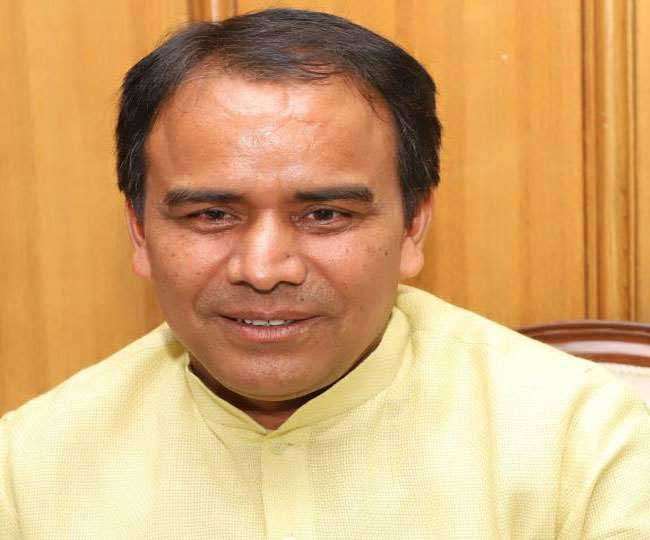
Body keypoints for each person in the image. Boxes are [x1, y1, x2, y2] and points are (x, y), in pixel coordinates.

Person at [1, 8, 649, 539]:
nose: (264, 270)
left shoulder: (585, 445)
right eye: (211, 214)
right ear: (140, 231)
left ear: (413, 225)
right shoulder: (27, 474)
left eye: (325, 214)